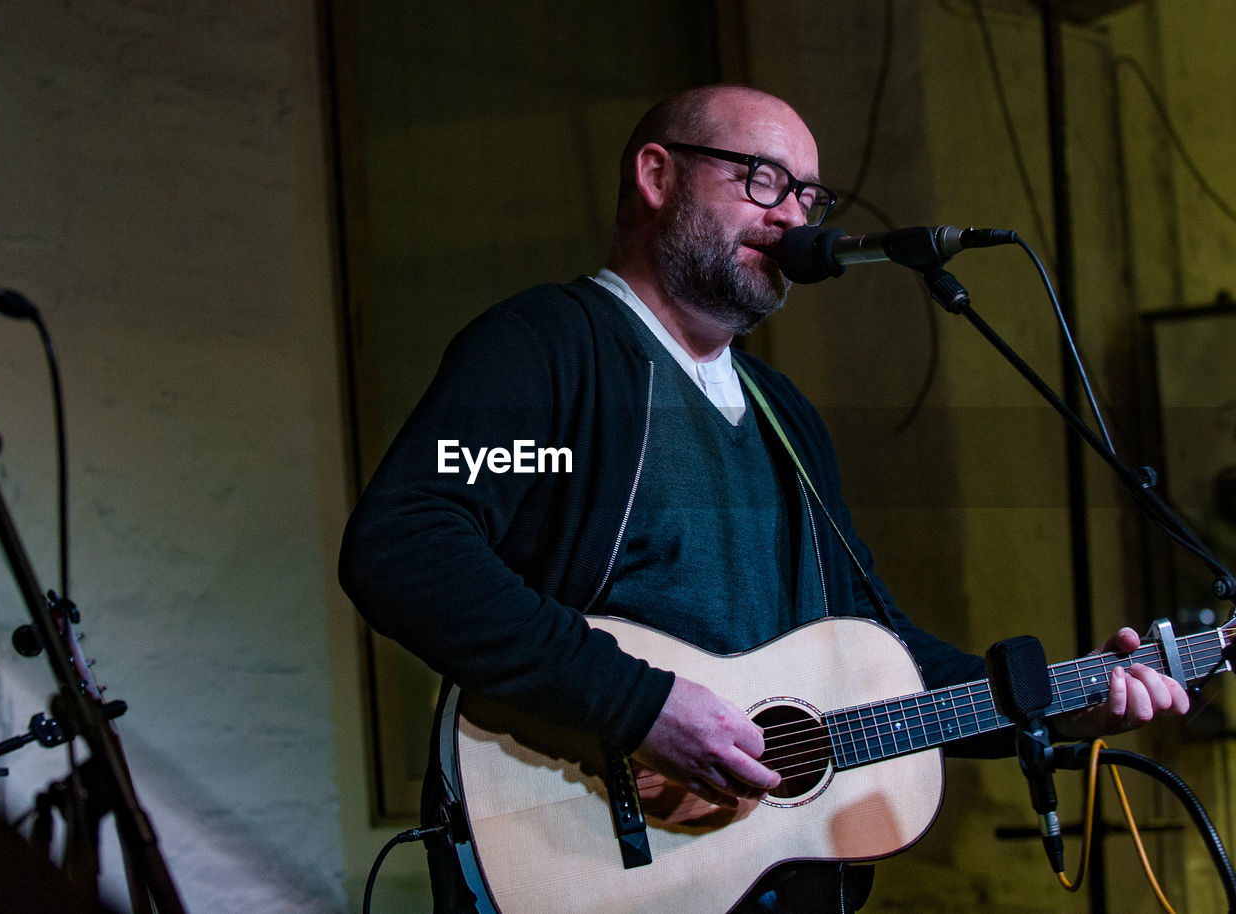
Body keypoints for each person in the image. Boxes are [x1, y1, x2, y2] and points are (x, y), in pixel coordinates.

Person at [338, 84, 1189, 913]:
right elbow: (407, 546)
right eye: (762, 178)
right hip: (585, 858)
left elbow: (874, 656)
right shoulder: (551, 357)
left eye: (809, 195)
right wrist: (640, 707)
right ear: (657, 175)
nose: (792, 217)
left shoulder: (790, 418)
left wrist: (1058, 704)